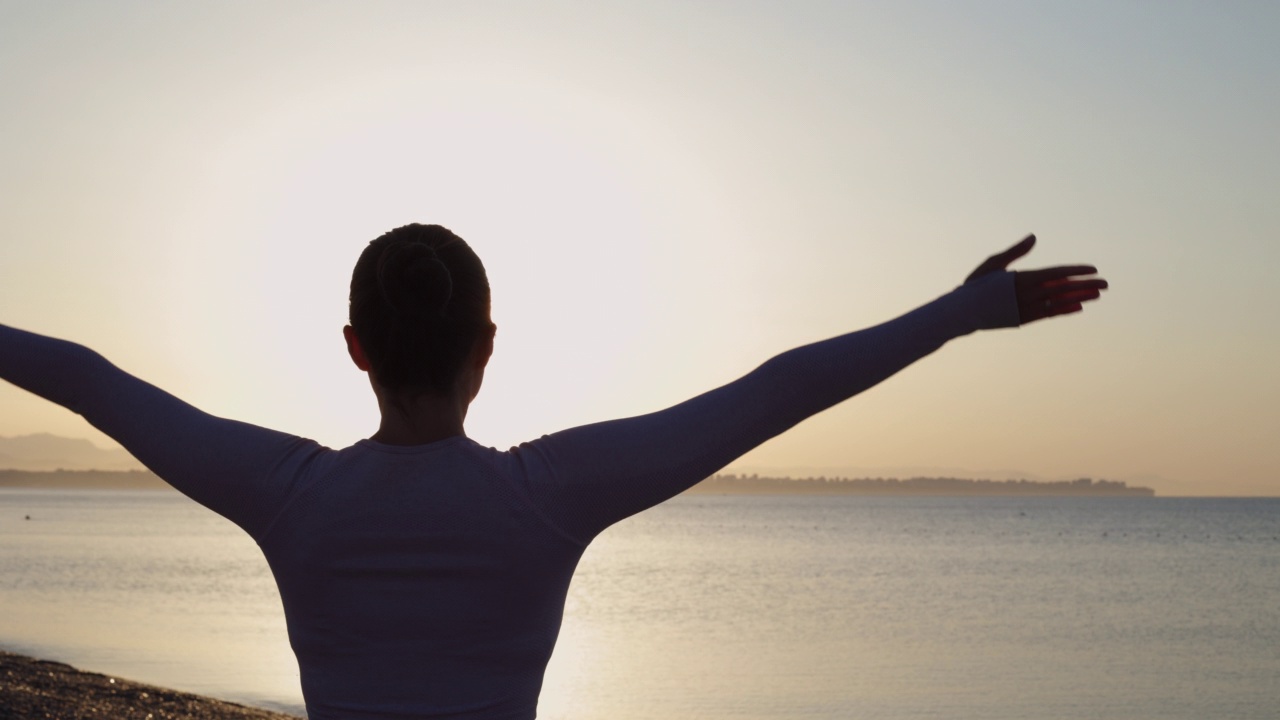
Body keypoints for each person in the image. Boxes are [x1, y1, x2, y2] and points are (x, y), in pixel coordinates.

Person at [0, 224, 1106, 719]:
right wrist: (961, 313)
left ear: (355, 348)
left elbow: (87, 378)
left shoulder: (291, 496)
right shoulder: (542, 498)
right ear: (487, 347)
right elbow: (776, 392)